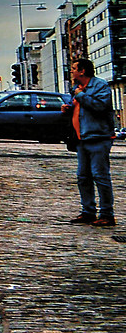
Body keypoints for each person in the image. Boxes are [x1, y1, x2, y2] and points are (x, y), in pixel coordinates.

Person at [66, 57, 114, 227]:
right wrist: (69, 108)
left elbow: (100, 106)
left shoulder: (100, 86)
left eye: (74, 68)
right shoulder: (76, 89)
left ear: (82, 71)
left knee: (100, 176)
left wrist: (81, 96)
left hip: (98, 137)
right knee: (83, 177)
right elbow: (81, 109)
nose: (71, 71)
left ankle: (107, 214)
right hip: (81, 139)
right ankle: (88, 211)